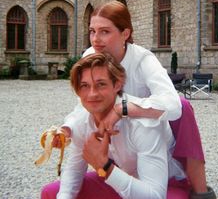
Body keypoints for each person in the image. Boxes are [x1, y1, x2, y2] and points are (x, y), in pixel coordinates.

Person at [54, 1, 216, 198]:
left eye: (104, 31)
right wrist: (68, 128)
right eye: (92, 31)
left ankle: (200, 191)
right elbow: (85, 104)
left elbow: (172, 105)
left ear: (125, 34)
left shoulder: (142, 60)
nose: (96, 39)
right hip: (119, 145)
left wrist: (121, 108)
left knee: (184, 105)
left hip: (147, 133)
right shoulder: (90, 55)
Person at [42, 52, 190, 199]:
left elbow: (155, 196)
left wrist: (105, 166)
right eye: (84, 86)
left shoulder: (143, 123)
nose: (92, 94)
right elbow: (74, 170)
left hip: (167, 185)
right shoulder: (83, 120)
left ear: (117, 84)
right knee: (51, 192)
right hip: (120, 177)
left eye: (101, 84)